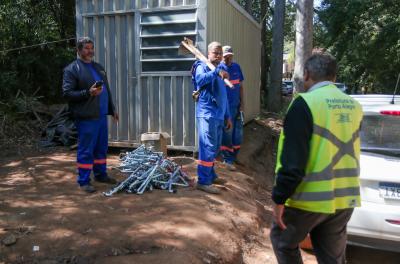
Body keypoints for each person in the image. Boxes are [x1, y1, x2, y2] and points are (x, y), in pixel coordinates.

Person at [270, 52, 363, 264]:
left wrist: (279, 198)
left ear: (307, 74)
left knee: (283, 241)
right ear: (334, 76)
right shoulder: (354, 106)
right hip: (343, 198)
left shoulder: (304, 104)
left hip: (308, 200)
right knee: (332, 258)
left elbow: (293, 162)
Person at [62, 37, 119, 193]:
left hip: (101, 116)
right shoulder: (72, 69)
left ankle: (101, 175)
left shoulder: (98, 67)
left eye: (91, 48)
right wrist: (88, 92)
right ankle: (84, 180)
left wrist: (112, 109)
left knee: (101, 148)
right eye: (86, 48)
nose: (90, 51)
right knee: (86, 149)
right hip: (86, 117)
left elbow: (106, 89)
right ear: (79, 50)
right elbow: (67, 93)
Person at [192, 41, 232, 194]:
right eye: (216, 52)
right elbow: (200, 80)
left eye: (220, 53)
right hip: (207, 113)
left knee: (214, 148)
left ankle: (211, 175)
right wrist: (215, 72)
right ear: (209, 53)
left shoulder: (221, 69)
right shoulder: (202, 65)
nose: (219, 55)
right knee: (207, 147)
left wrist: (227, 115)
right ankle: (203, 181)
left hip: (219, 115)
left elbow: (224, 95)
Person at [219, 46, 245, 171]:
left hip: (236, 106)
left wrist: (242, 103)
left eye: (230, 56)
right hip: (225, 109)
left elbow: (240, 87)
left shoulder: (236, 67)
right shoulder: (219, 69)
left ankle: (234, 157)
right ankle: (227, 160)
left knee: (238, 134)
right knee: (227, 133)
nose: (228, 58)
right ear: (222, 56)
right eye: (226, 56)